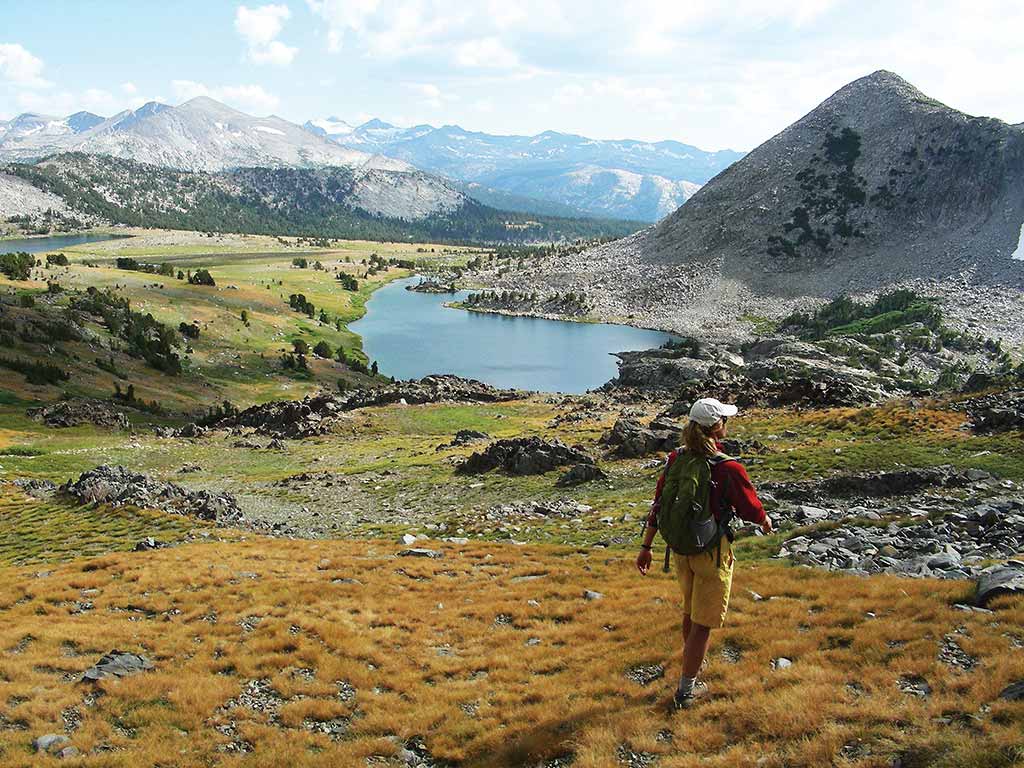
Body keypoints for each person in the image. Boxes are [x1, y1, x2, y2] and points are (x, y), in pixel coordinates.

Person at [636, 397, 772, 709]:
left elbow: (658, 504)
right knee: (703, 622)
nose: (727, 423)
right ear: (716, 427)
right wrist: (764, 520)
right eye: (724, 419)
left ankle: (691, 663)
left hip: (681, 550)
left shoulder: (676, 459)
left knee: (690, 610)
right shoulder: (727, 468)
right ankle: (686, 691)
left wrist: (646, 547)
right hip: (712, 551)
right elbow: (750, 508)